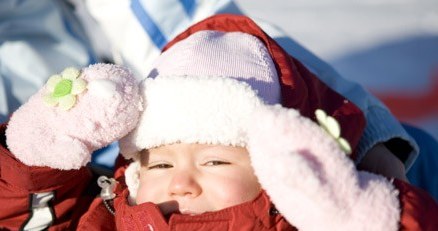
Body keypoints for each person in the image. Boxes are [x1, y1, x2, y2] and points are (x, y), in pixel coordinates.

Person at [1, 14, 437, 230]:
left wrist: (362, 218)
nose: (181, 183)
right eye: (160, 165)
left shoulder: (303, 218)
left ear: (272, 171)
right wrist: (38, 159)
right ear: (130, 176)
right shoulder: (113, 217)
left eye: (215, 162)